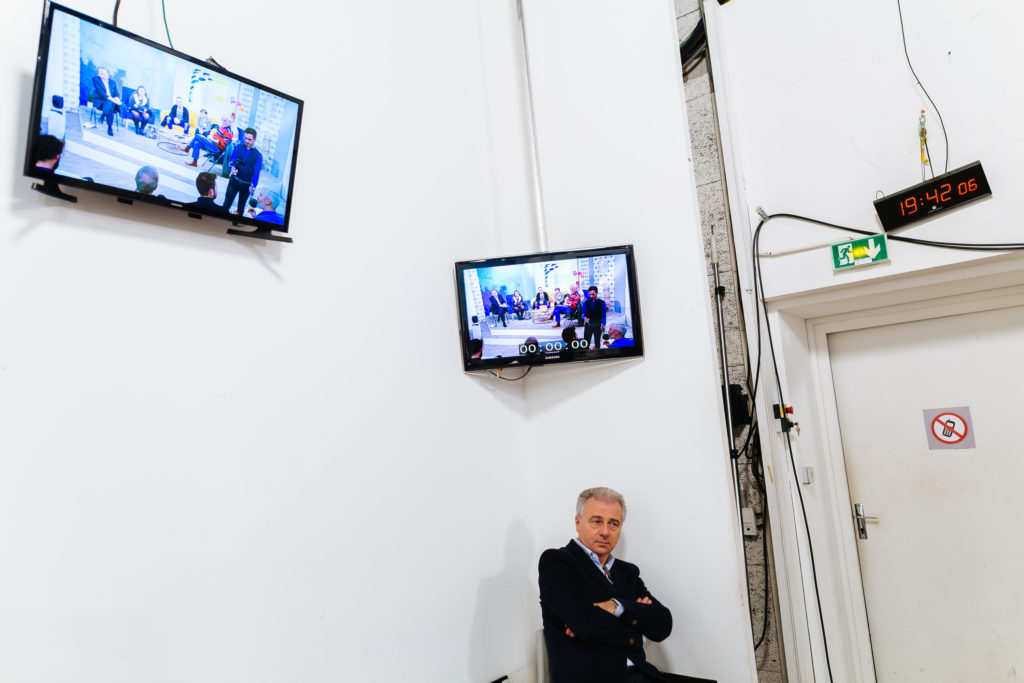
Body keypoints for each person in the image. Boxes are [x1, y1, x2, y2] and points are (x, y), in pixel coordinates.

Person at [539, 487, 706, 683]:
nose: (605, 532)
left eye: (613, 524)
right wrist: (638, 630)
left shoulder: (626, 573)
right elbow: (586, 624)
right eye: (596, 521)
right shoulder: (557, 562)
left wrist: (615, 607)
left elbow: (662, 624)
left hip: (641, 674)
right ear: (578, 522)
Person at [222, 128, 262, 216]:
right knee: (226, 204)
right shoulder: (238, 147)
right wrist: (232, 168)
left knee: (240, 208)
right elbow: (231, 161)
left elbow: (256, 173)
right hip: (234, 180)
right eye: (246, 138)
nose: (247, 141)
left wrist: (253, 186)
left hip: (246, 185)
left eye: (250, 139)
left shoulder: (258, 155)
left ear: (254, 140)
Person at [90, 67, 122, 136]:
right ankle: (110, 128)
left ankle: (103, 115)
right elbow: (101, 92)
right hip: (100, 101)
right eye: (101, 73)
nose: (103, 75)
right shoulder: (96, 80)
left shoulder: (112, 82)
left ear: (107, 73)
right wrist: (111, 99)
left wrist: (117, 98)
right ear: (99, 74)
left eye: (105, 73)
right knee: (110, 103)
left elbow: (117, 93)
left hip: (110, 103)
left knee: (110, 104)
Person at [581, 286, 607, 350]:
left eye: (593, 294)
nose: (591, 296)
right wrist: (584, 318)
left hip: (598, 326)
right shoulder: (585, 303)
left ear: (597, 293)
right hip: (588, 325)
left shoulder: (602, 303)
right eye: (590, 294)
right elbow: (583, 314)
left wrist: (603, 324)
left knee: (597, 344)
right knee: (586, 343)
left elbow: (603, 315)